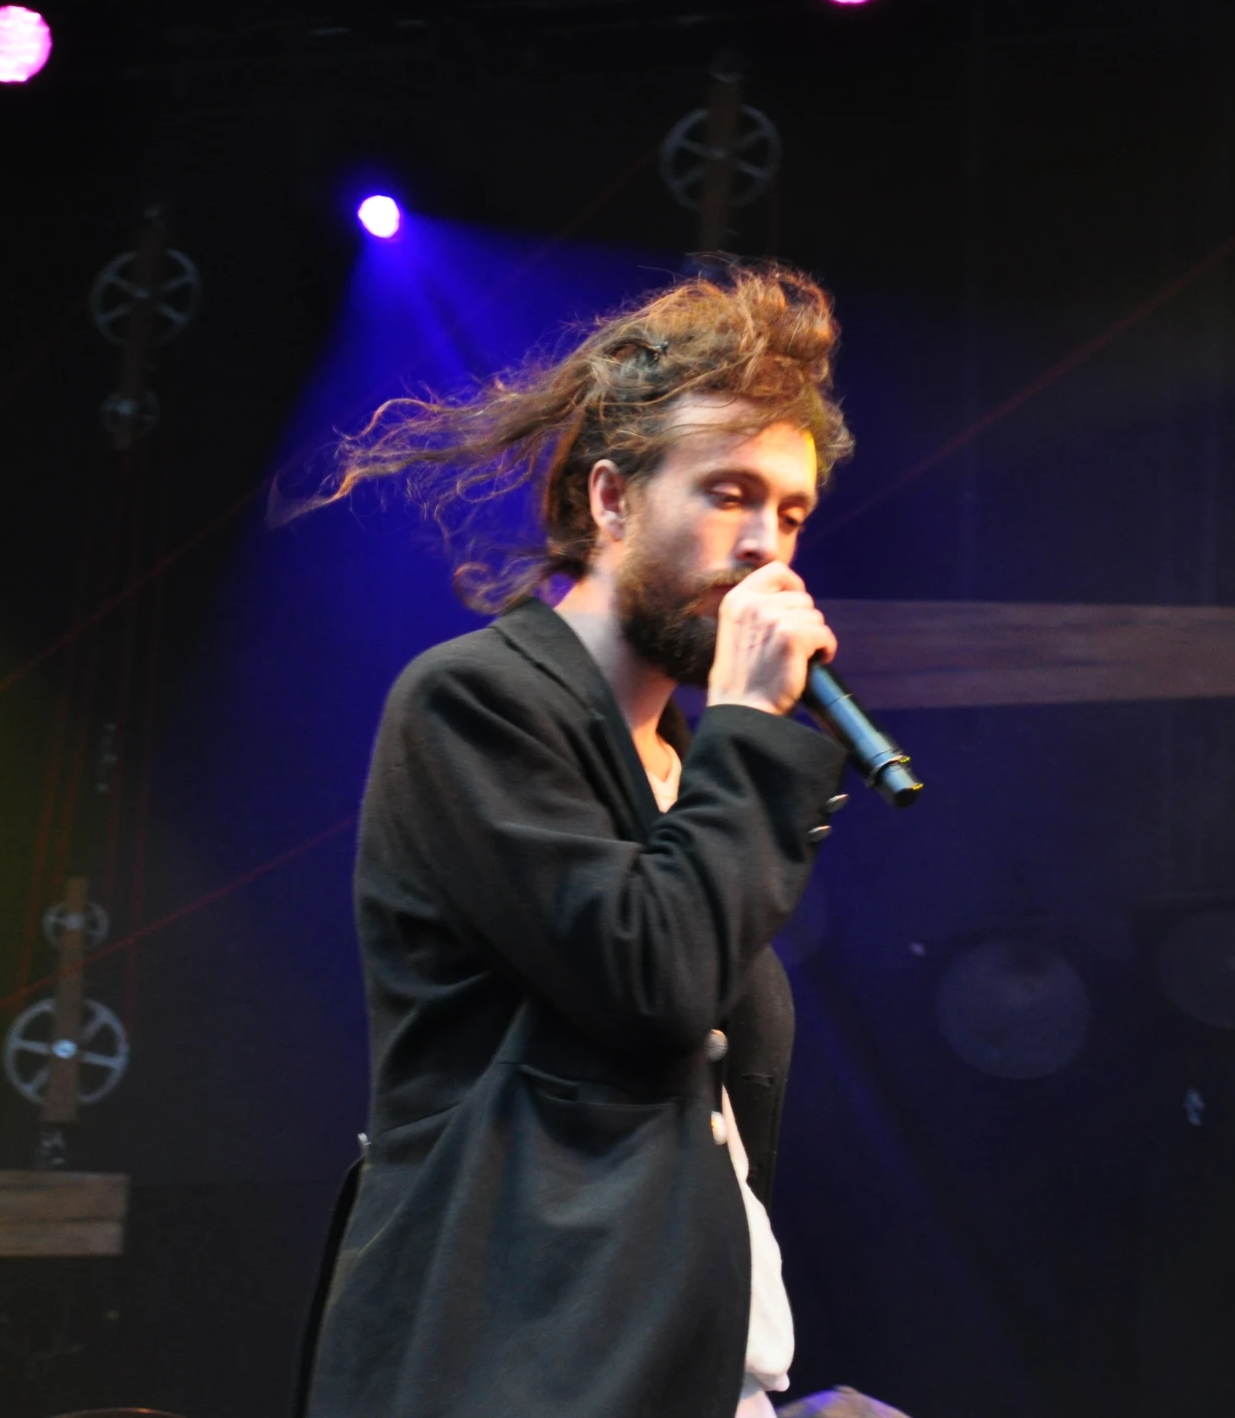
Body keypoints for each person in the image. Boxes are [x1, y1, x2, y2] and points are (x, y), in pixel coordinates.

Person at [295, 261, 858, 1418]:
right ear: (610, 500)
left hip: (687, 1364)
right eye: (729, 494)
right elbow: (650, 978)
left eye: (791, 513)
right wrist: (752, 735)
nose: (767, 548)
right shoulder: (476, 704)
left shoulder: (693, 765)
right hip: (525, 1361)